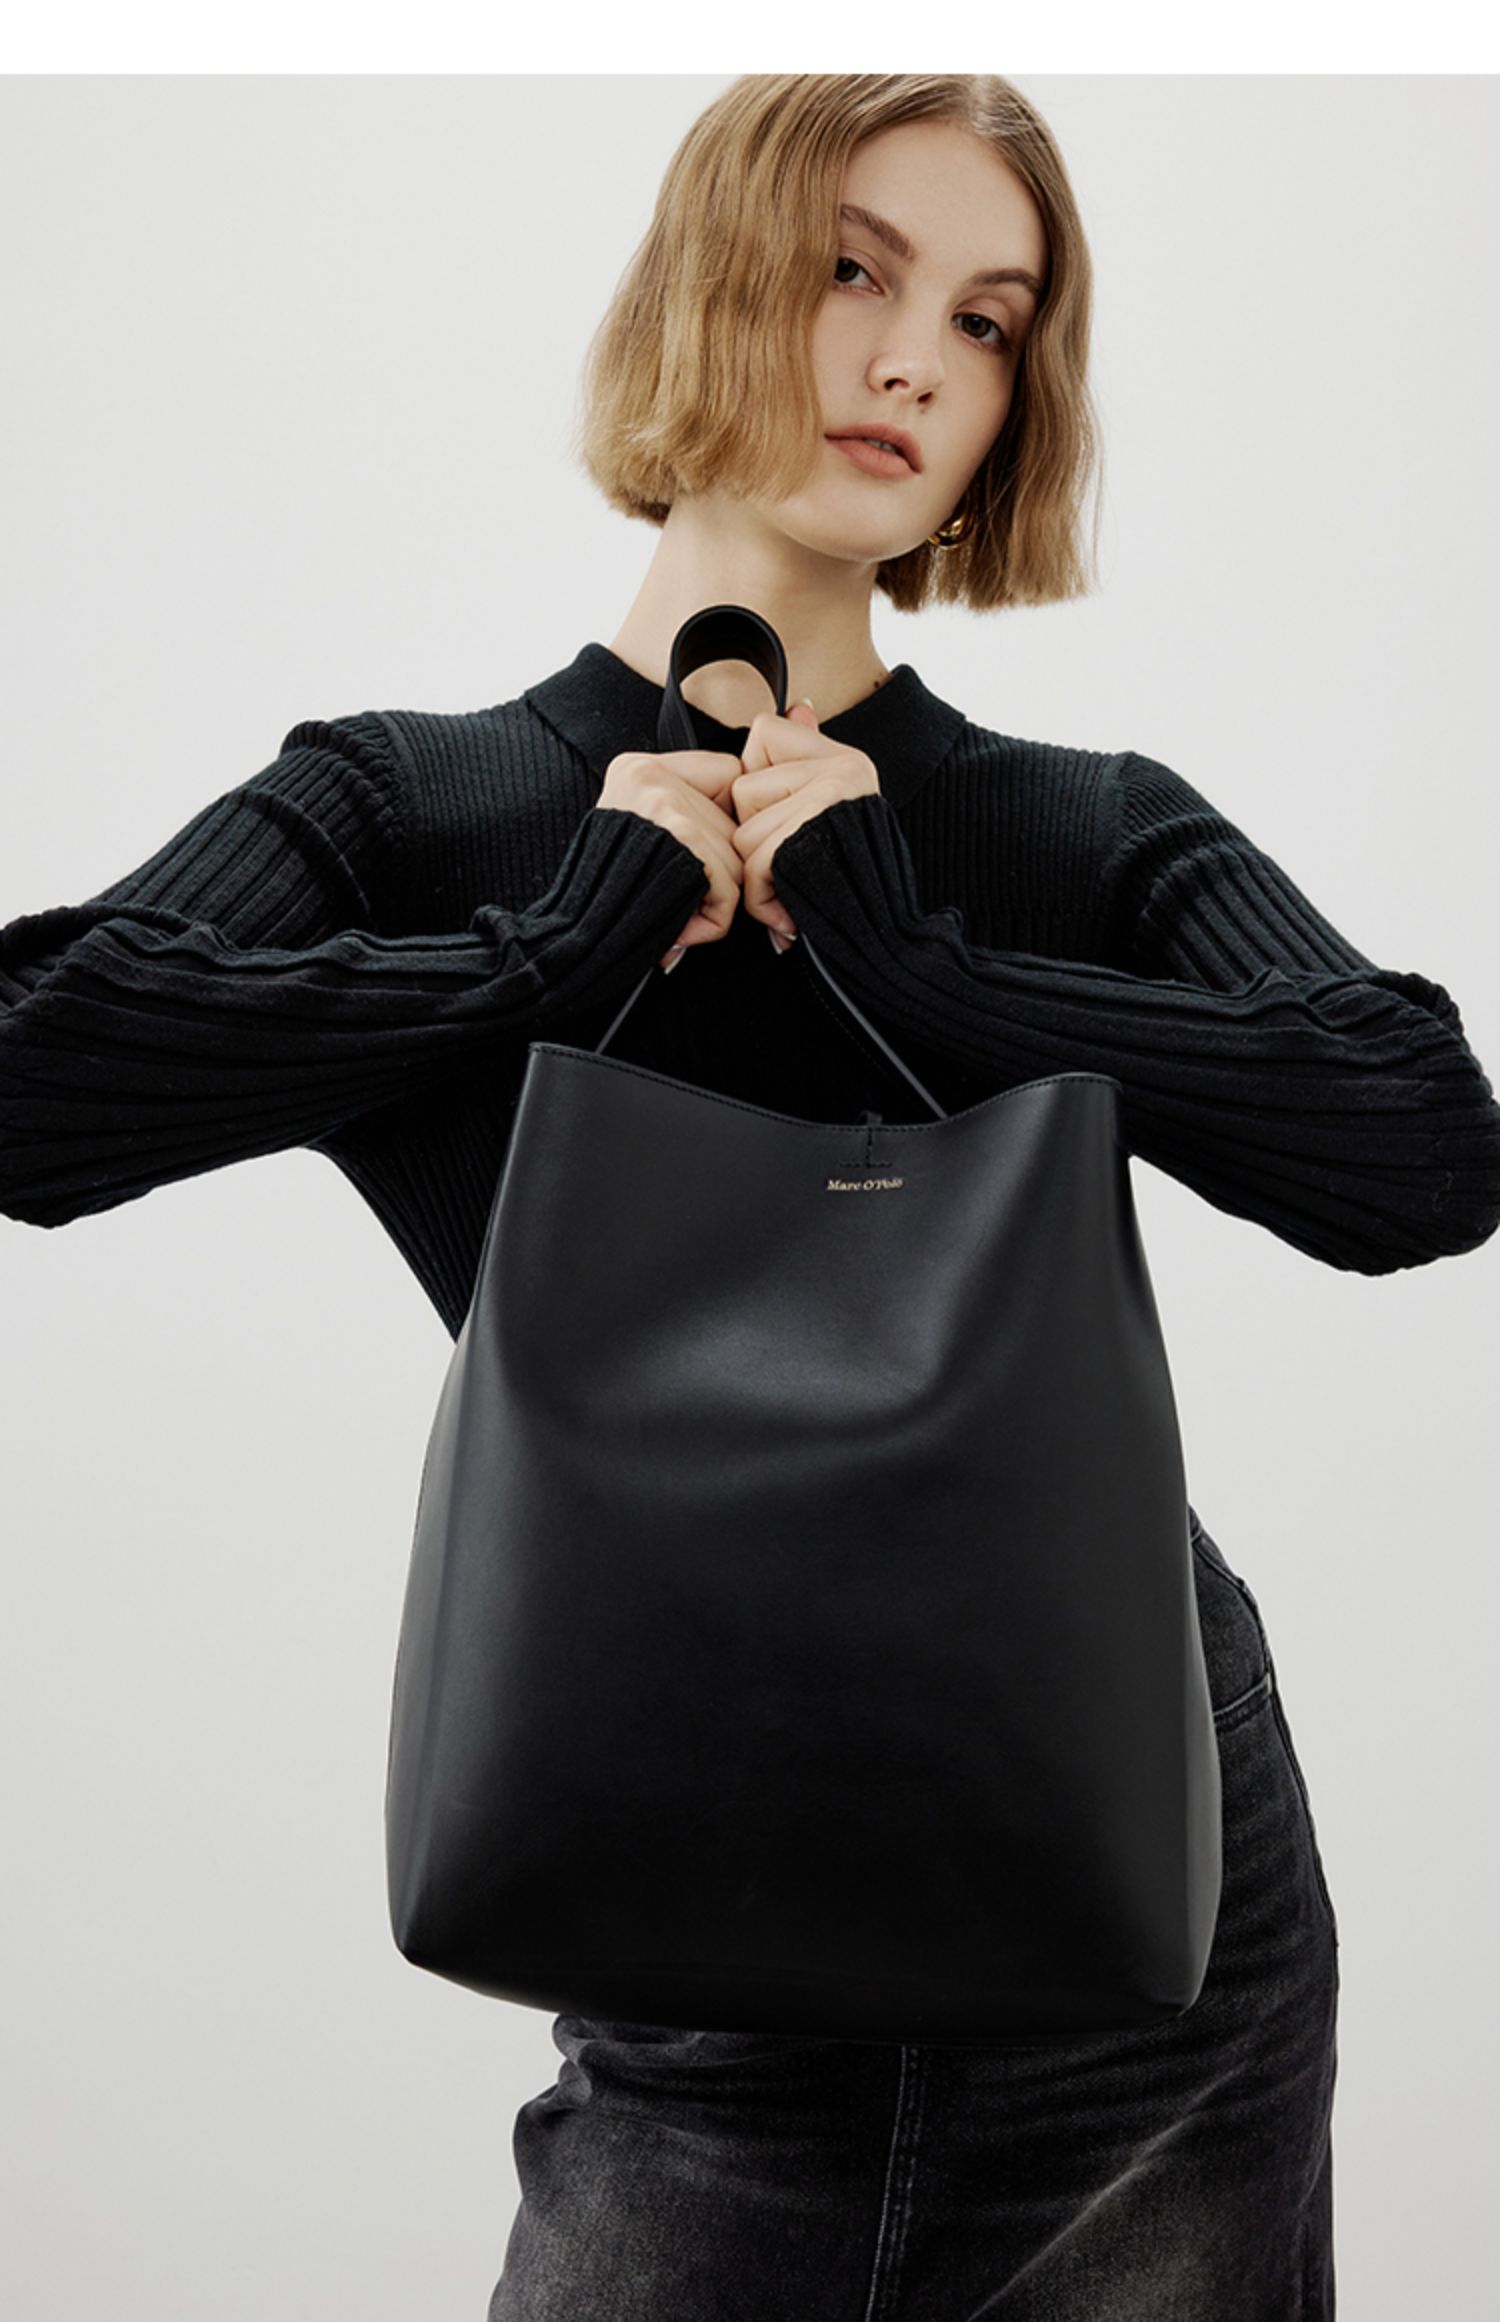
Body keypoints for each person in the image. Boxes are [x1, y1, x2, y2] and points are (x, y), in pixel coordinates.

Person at [3, 72, 1498, 2322]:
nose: (917, 362)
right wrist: (551, 947)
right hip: (671, 1902)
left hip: (1134, 1908)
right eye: (852, 271)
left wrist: (930, 969)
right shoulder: (420, 805)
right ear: (709, 277)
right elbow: (34, 1081)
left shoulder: (1076, 823)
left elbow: (1425, 1147)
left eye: (988, 321)